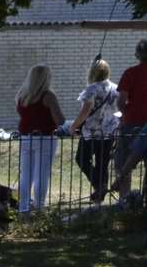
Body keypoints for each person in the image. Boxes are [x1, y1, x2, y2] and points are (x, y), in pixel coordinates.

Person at [111, 39, 147, 202]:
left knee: (123, 162)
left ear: (137, 54)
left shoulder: (130, 73)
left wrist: (127, 112)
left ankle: (124, 200)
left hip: (132, 123)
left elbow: (121, 101)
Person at [14, 64, 65, 214]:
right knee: (41, 173)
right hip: (45, 138)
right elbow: (60, 120)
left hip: (25, 138)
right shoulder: (48, 96)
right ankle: (39, 206)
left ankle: (23, 208)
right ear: (46, 78)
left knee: (26, 174)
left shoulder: (22, 95)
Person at [70, 57, 120, 201]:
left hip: (91, 132)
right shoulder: (115, 88)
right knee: (102, 163)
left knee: (82, 159)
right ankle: (100, 192)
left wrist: (73, 126)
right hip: (109, 131)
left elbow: (86, 110)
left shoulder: (91, 89)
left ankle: (99, 187)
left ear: (92, 72)